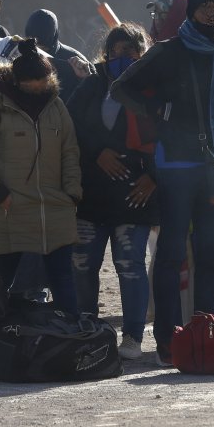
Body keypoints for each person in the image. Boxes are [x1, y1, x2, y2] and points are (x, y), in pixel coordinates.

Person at [112, 0, 214, 366]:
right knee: (171, 253)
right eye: (203, 5)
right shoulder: (170, 51)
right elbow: (123, 88)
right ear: (191, 12)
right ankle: (168, 339)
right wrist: (161, 116)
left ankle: (208, 330)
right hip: (177, 165)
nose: (210, 12)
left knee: (212, 254)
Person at [0, 39, 83, 314]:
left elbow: (70, 152)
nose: (38, 88)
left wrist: (72, 192)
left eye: (43, 81)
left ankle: (73, 338)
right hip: (9, 213)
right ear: (18, 81)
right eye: (32, 83)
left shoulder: (56, 106)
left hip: (54, 210)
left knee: (63, 282)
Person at [66, 23, 158, 360]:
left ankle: (132, 336)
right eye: (116, 52)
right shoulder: (93, 84)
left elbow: (170, 133)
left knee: (130, 263)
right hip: (92, 194)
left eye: (131, 52)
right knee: (82, 263)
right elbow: (71, 124)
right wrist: (97, 153)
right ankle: (87, 329)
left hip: (137, 194)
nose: (123, 58)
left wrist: (154, 178)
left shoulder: (154, 86)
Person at [25, 8, 89, 101]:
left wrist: (83, 78)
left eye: (43, 46)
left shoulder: (76, 60)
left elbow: (92, 94)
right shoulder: (19, 55)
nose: (38, 50)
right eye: (34, 45)